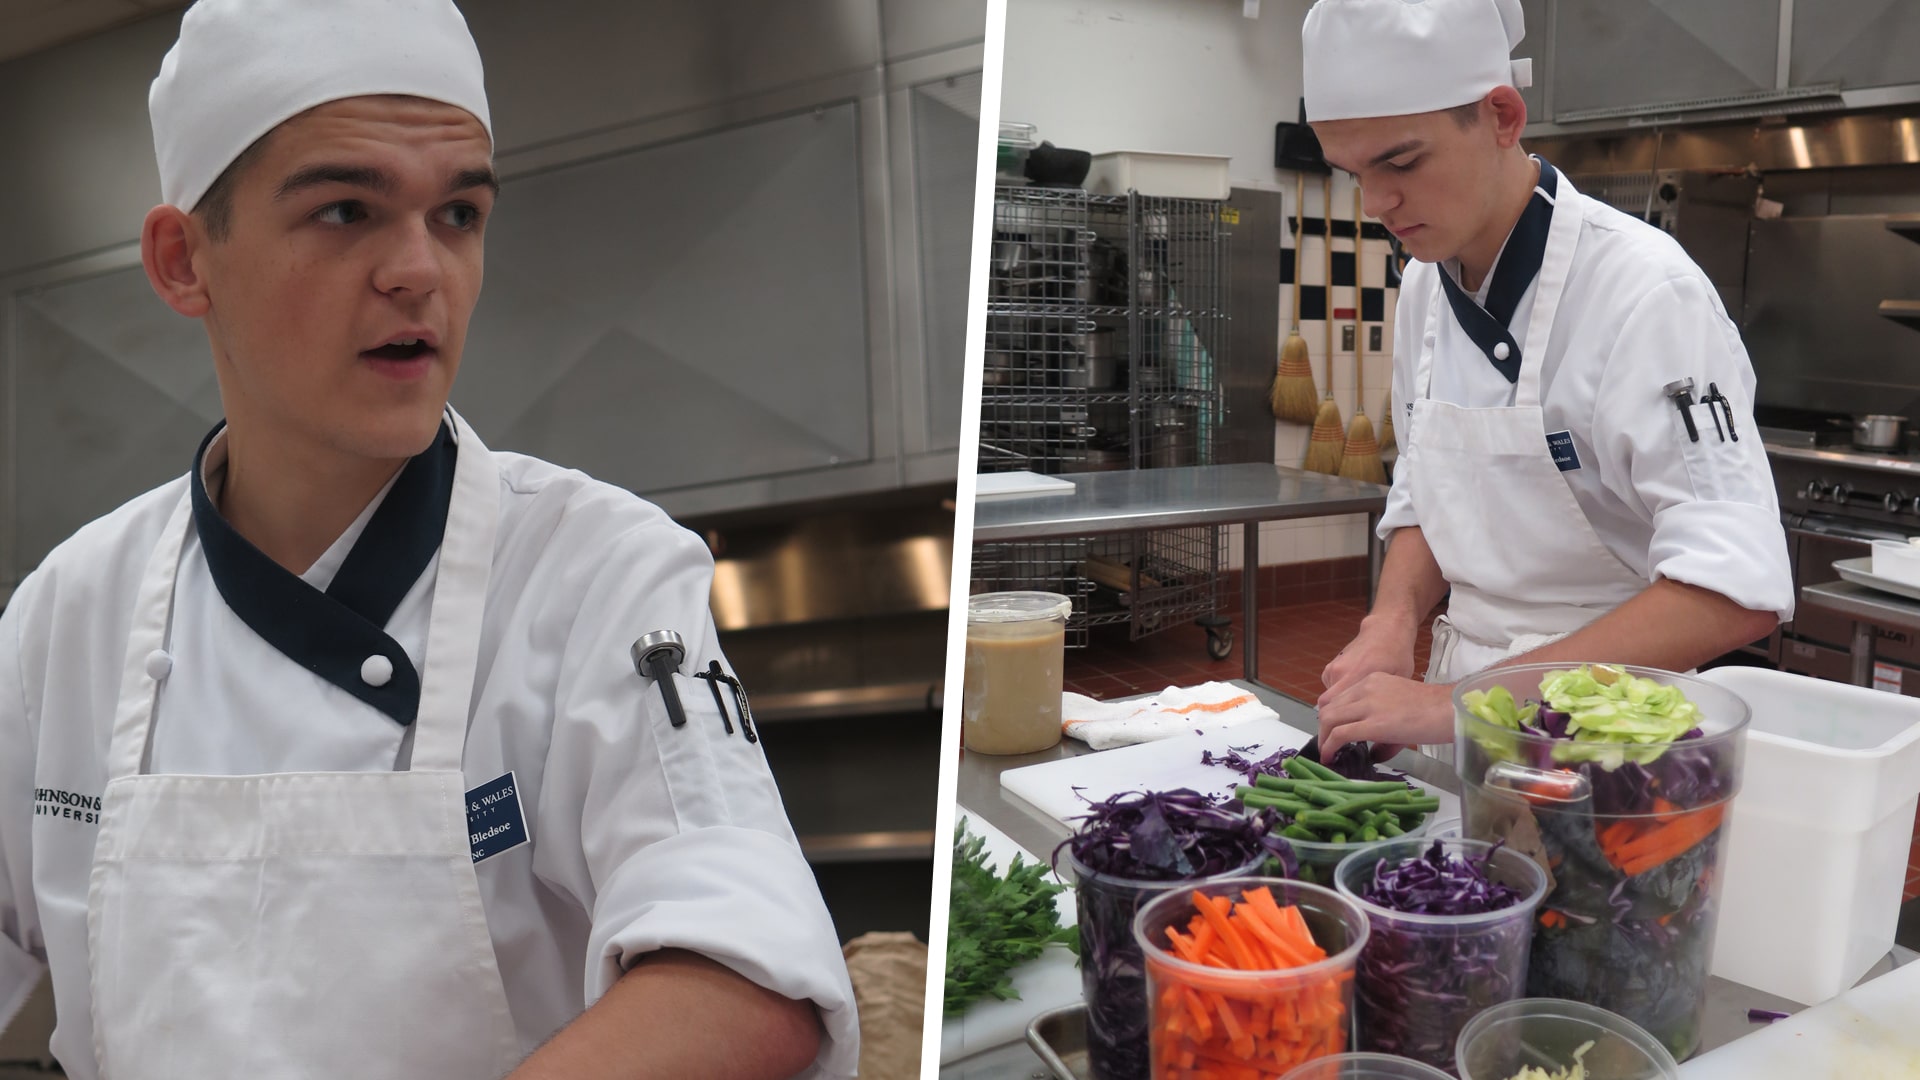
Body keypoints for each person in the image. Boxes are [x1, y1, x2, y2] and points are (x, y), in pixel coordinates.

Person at [0, 2, 856, 1077]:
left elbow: (743, 979)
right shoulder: (66, 617)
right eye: (347, 209)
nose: (420, 271)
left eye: (457, 215)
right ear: (184, 261)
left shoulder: (596, 572)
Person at [1305, 0, 1791, 756]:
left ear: (1501, 116)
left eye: (1401, 163)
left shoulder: (1644, 292)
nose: (1377, 205)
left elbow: (1734, 591)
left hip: (1617, 738)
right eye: (1353, 173)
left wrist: (1460, 705)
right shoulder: (1427, 285)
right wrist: (1390, 625)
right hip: (1456, 715)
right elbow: (1430, 496)